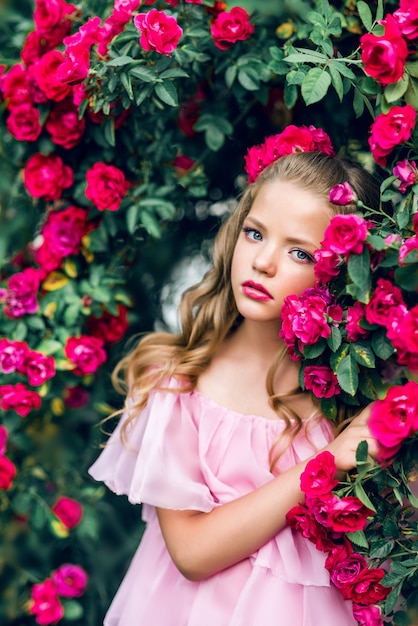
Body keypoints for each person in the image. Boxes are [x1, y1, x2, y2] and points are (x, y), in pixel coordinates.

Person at [89, 126, 382, 626]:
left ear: (342, 271)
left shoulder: (356, 404)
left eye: (300, 252)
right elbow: (193, 553)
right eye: (255, 233)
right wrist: (329, 461)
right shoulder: (179, 382)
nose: (263, 262)